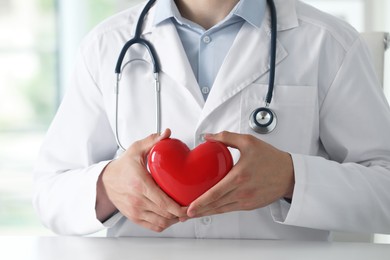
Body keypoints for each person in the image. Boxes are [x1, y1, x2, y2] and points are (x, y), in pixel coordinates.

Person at [33, 0, 390, 240]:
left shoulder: (329, 43)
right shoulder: (106, 44)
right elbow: (49, 193)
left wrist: (291, 178)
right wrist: (107, 186)